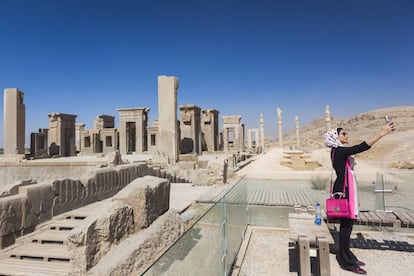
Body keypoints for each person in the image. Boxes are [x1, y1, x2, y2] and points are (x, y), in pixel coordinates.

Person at [324, 121, 395, 274]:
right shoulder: (339, 151)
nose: (346, 135)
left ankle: (347, 255)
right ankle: (346, 262)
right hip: (344, 190)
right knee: (346, 227)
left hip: (345, 189)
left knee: (347, 226)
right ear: (336, 138)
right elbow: (361, 147)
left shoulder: (338, 151)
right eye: (343, 134)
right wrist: (382, 133)